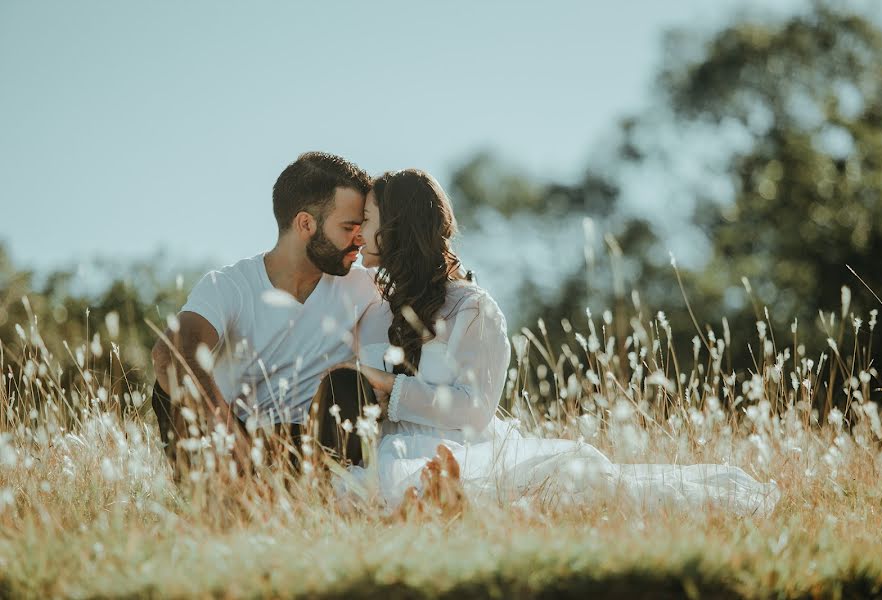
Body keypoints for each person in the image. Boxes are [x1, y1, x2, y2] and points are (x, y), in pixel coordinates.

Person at [330, 168, 780, 515]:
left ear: (398, 227)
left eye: (367, 220)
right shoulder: (368, 305)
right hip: (386, 452)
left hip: (463, 450)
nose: (357, 232)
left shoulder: (472, 308)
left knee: (576, 490)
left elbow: (475, 408)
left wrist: (391, 389)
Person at [150, 152, 380, 474]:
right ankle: (224, 501)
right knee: (170, 383)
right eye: (348, 227)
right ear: (306, 224)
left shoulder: (367, 287)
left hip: (313, 448)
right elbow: (170, 354)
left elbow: (436, 282)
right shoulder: (229, 286)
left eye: (363, 228)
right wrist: (230, 436)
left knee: (348, 384)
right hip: (232, 441)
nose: (360, 239)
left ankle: (329, 496)